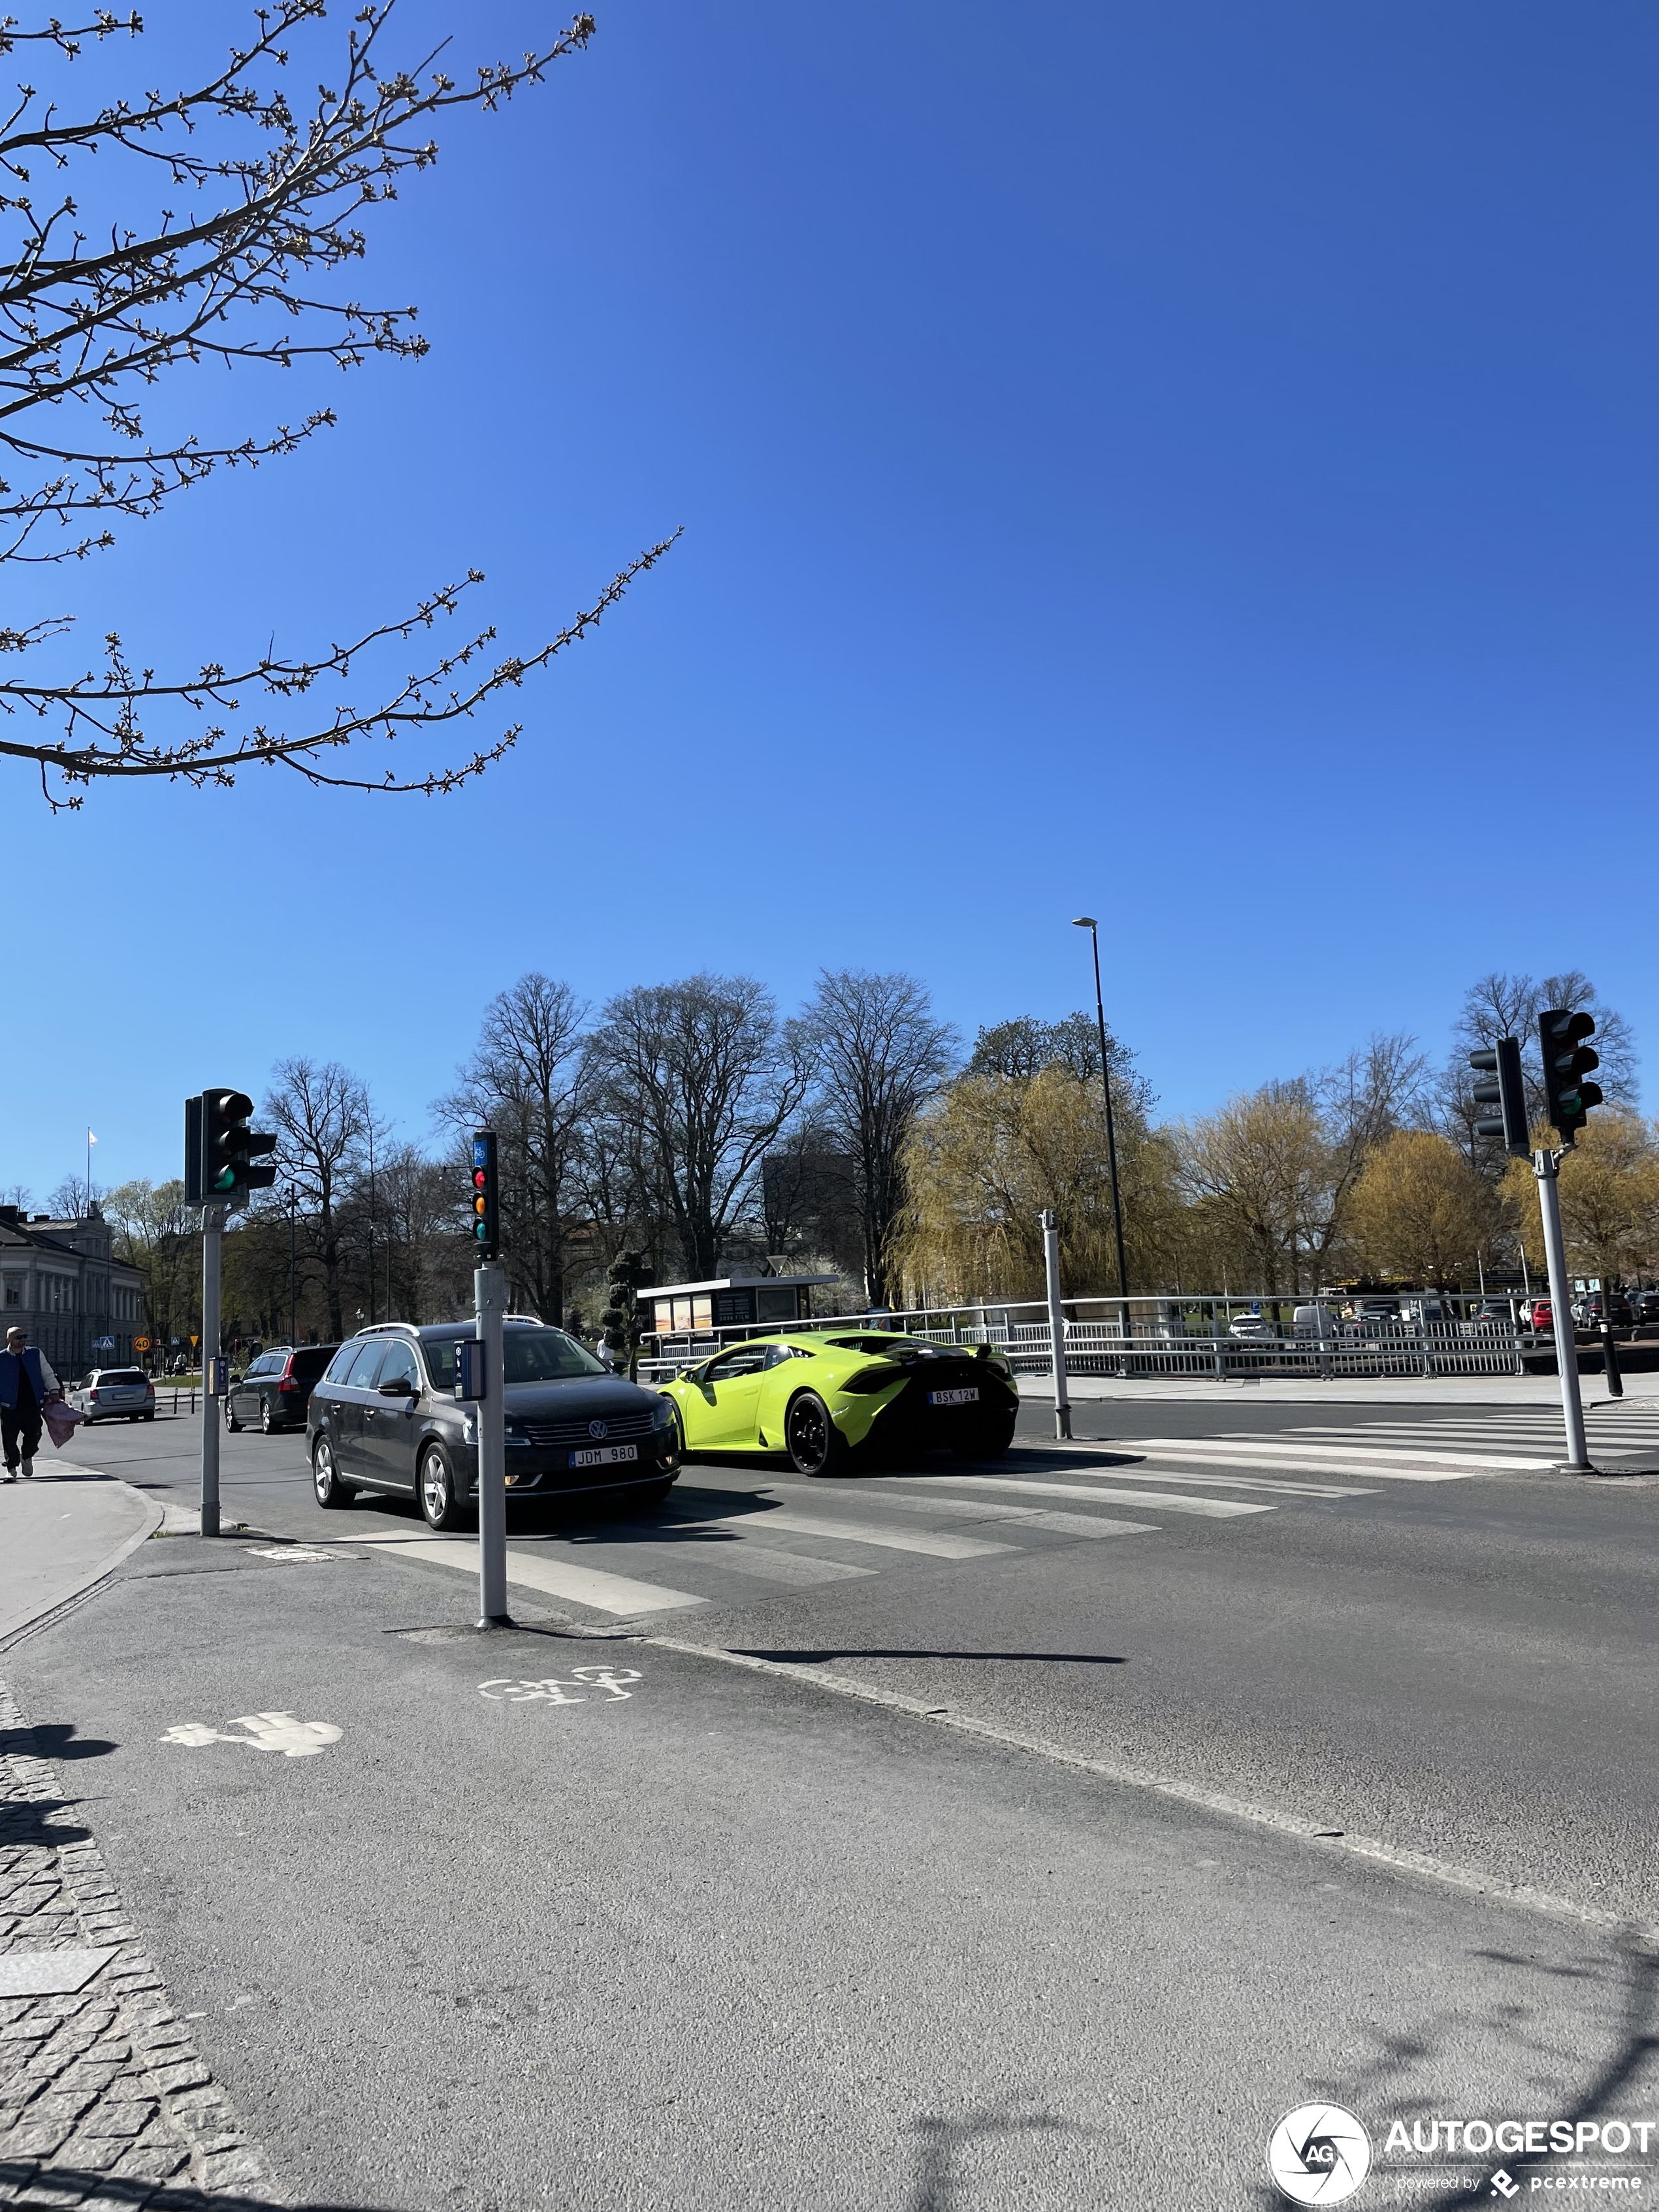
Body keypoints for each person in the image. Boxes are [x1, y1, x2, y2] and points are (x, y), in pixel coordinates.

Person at [0, 1325, 59, 1481]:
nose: (22, 1340)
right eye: (18, 1337)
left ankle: (26, 1456)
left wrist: (54, 1389)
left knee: (35, 1434)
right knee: (9, 1439)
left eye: (24, 1336)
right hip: (9, 1406)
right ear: (9, 1339)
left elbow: (47, 1373)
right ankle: (11, 1469)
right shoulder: (2, 1358)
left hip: (32, 1404)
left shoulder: (35, 1354)